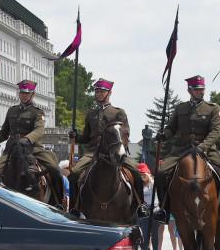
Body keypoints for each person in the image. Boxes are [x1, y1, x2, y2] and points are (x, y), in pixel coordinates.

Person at [68, 78, 147, 216]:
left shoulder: (118, 112)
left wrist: (119, 150)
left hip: (113, 151)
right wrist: (76, 136)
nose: (98, 94)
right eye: (97, 91)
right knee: (74, 174)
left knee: (135, 171)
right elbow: (86, 137)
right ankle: (75, 207)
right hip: (92, 153)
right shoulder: (91, 114)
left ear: (109, 93)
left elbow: (125, 134)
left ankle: (140, 205)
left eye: (102, 91)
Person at [0, 80, 64, 205]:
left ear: (33, 95)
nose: (24, 95)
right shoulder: (12, 110)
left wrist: (27, 139)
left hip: (33, 149)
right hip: (12, 150)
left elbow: (39, 130)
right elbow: (4, 132)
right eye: (22, 93)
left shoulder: (37, 112)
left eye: (27, 93)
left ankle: (59, 201)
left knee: (54, 169)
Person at [153, 75, 220, 223]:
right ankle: (164, 209)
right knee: (160, 173)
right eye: (197, 90)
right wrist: (164, 135)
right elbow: (172, 128)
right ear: (189, 90)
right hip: (181, 150)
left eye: (202, 89)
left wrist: (202, 147)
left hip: (206, 150)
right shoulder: (180, 108)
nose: (200, 92)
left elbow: (216, 131)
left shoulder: (213, 108)